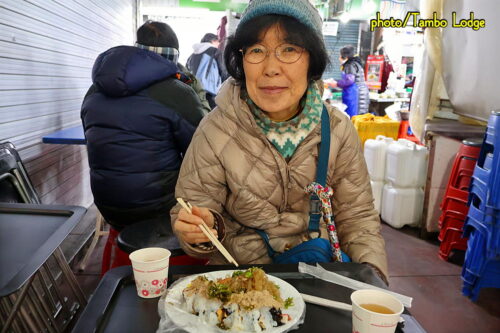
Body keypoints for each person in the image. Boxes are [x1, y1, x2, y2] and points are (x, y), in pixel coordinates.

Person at [170, 0, 388, 282]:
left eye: (289, 49)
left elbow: (357, 218)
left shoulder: (337, 128)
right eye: (257, 50)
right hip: (240, 278)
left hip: (318, 276)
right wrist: (203, 230)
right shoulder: (215, 129)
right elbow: (194, 210)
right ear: (241, 60)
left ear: (312, 61)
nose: (271, 68)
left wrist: (375, 281)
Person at [81, 21, 208, 232]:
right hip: (159, 209)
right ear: (173, 57)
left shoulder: (95, 90)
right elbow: (202, 149)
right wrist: (197, 93)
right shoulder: (176, 92)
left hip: (107, 206)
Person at [187, 33, 223, 109]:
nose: (219, 44)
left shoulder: (192, 54)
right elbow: (223, 69)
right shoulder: (215, 51)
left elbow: (186, 68)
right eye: (218, 41)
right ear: (213, 41)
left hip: (194, 89)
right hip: (211, 91)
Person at [332, 45, 370, 117]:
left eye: (340, 56)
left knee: (354, 118)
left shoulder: (349, 65)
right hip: (359, 93)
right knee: (358, 119)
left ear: (345, 57)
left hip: (356, 95)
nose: (339, 58)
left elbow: (349, 81)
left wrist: (336, 83)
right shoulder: (355, 63)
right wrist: (335, 81)